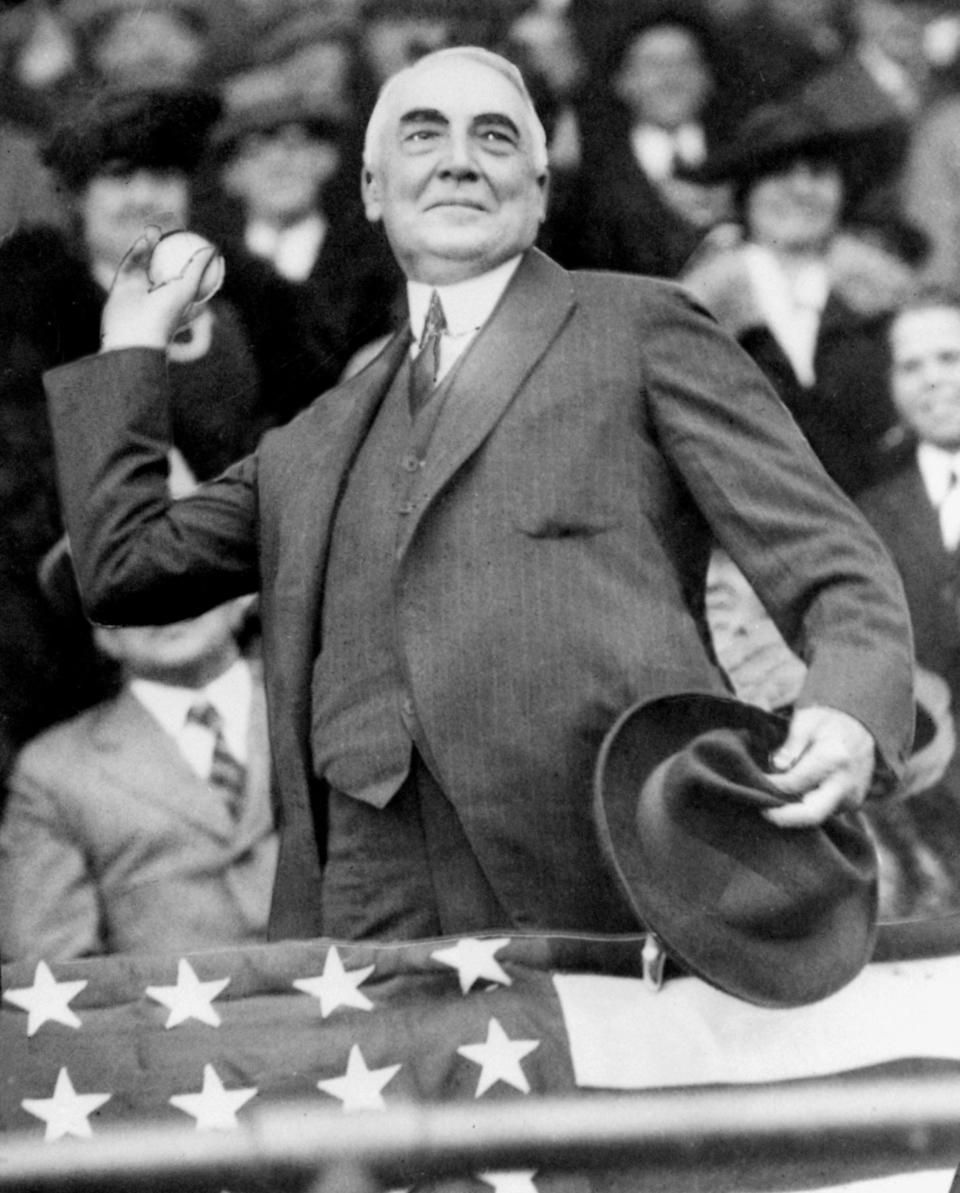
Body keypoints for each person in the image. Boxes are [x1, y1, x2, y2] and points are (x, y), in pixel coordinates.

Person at [44, 46, 914, 945]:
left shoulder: (639, 327)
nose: (460, 158)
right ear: (375, 191)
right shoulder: (316, 435)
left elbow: (833, 563)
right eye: (425, 135)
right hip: (375, 913)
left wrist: (849, 704)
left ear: (537, 192)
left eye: (494, 137)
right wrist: (132, 343)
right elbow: (122, 569)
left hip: (607, 864)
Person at [0, 578, 277, 965]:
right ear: (100, 630)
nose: (161, 603)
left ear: (242, 595)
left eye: (187, 574)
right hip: (168, 1020)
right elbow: (52, 965)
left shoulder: (316, 705)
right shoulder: (56, 769)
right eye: (128, 588)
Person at [681, 95, 916, 497]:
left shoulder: (890, 297)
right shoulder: (695, 307)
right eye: (780, 174)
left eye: (820, 174)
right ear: (746, 191)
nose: (802, 191)